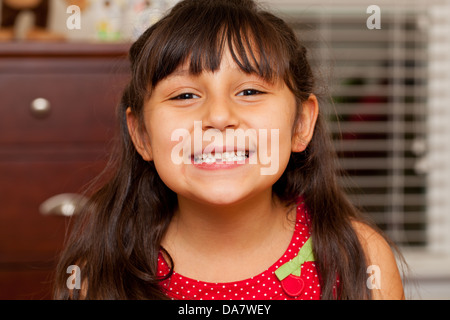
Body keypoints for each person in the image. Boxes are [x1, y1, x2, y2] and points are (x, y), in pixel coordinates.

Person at [54, 0, 405, 300]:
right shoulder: (97, 276)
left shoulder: (360, 259)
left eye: (250, 92)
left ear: (301, 125)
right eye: (185, 95)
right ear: (142, 134)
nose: (219, 117)